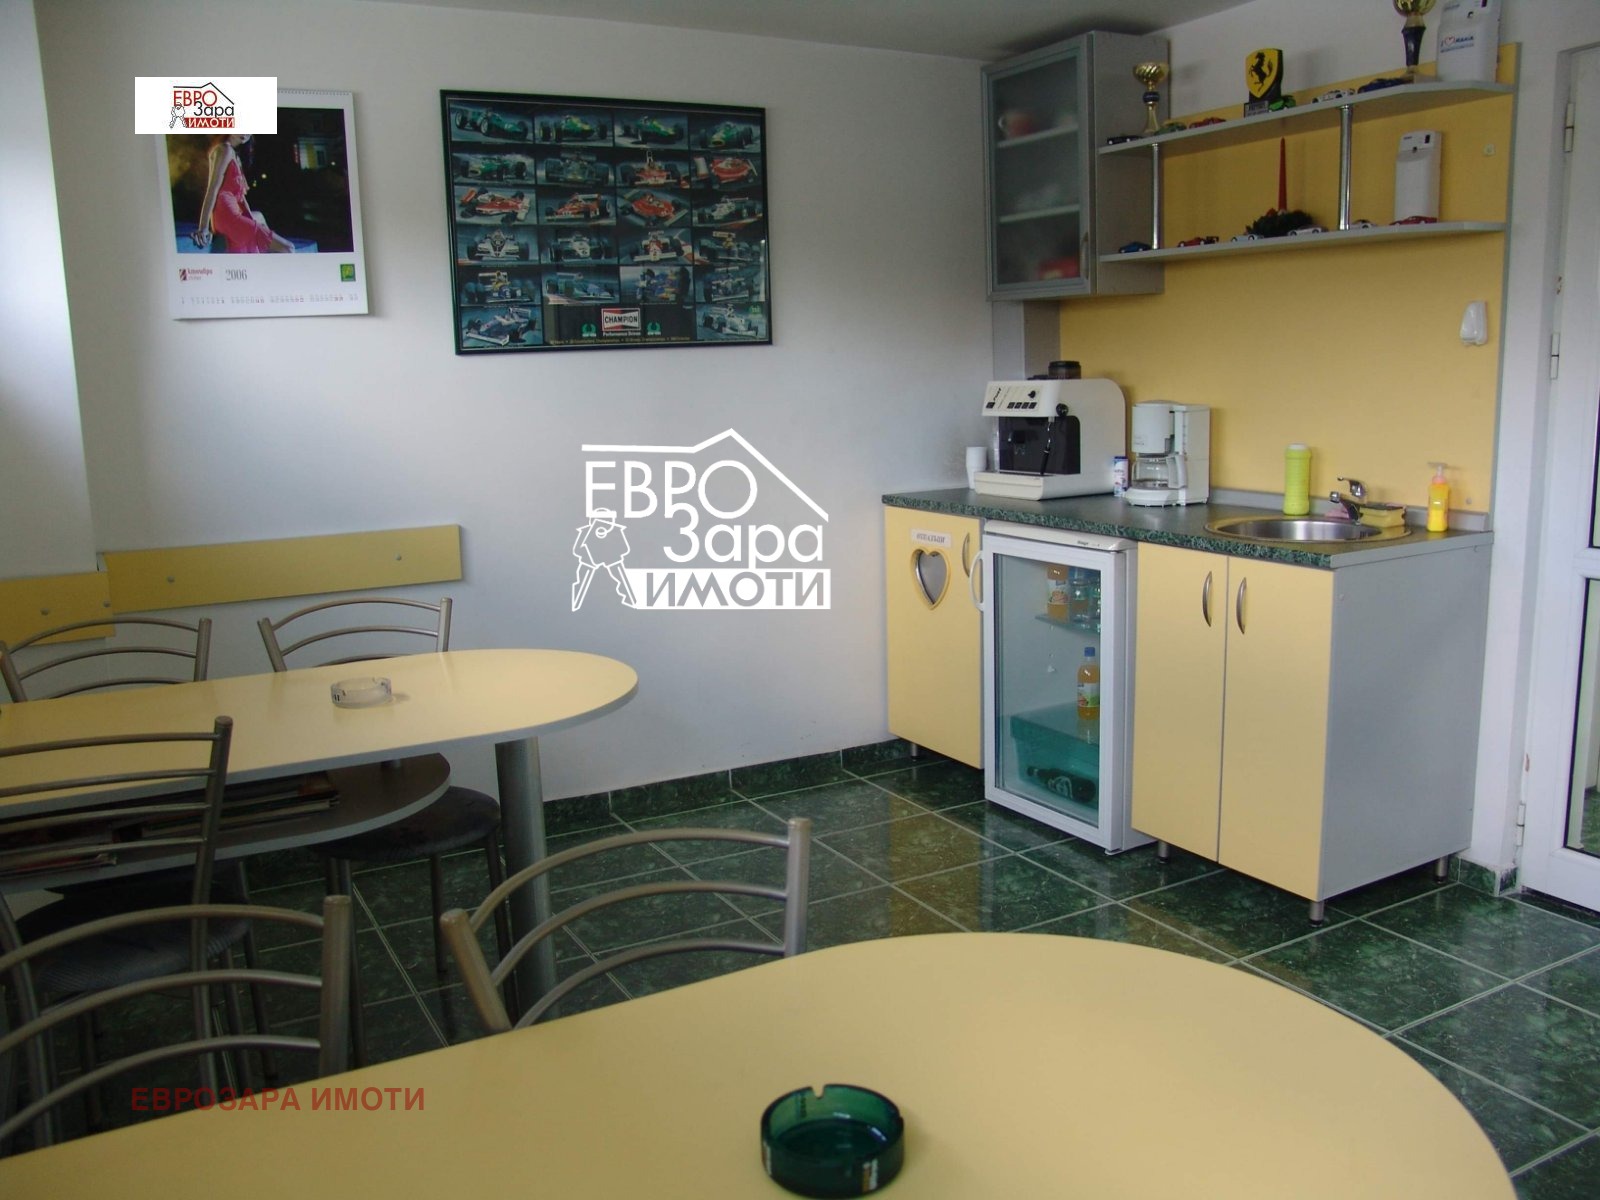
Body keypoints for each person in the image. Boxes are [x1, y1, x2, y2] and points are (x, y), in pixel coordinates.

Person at [190, 134, 294, 253]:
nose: (245, 133)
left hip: (232, 213)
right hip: (227, 217)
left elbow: (241, 198)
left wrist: (250, 220)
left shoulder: (234, 154)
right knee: (289, 248)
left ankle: (262, 253)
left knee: (259, 217)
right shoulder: (224, 150)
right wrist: (203, 227)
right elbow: (212, 188)